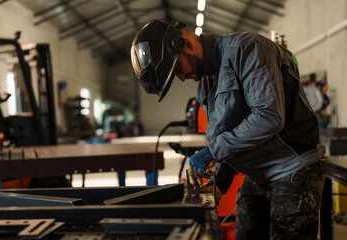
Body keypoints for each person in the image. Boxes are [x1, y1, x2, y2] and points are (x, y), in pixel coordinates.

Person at [131, 19, 326, 240]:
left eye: (177, 69)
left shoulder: (248, 49)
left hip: (292, 168)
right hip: (259, 172)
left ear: (186, 44)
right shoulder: (205, 83)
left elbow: (268, 117)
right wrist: (219, 182)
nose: (182, 77)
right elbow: (232, 135)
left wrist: (212, 152)